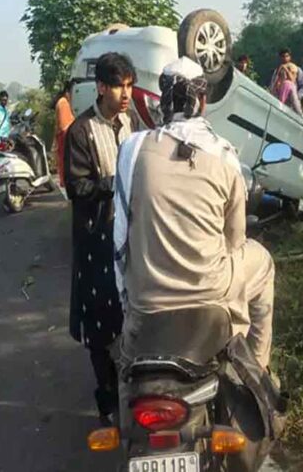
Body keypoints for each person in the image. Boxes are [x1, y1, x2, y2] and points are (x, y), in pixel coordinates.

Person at [114, 56, 275, 370]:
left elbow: (120, 234)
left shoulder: (132, 150)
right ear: (202, 100)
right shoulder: (224, 154)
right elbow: (234, 241)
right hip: (210, 293)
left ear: (162, 100)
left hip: (145, 298)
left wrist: (127, 296)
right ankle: (259, 368)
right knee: (263, 262)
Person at [64, 52, 139, 426]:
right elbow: (76, 187)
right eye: (118, 87)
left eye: (129, 86)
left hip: (130, 237)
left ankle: (135, 386)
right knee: (100, 323)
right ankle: (107, 399)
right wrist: (114, 183)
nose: (126, 94)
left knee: (132, 314)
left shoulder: (131, 122)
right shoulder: (81, 131)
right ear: (101, 87)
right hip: (96, 241)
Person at [269, 48, 303, 115]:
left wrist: (297, 97)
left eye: (287, 56)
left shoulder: (296, 69)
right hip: (280, 101)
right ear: (280, 58)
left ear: (290, 57)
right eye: (283, 56)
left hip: (293, 103)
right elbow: (273, 86)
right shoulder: (277, 71)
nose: (285, 58)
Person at [53, 80, 76, 188]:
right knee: (64, 160)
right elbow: (64, 125)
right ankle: (65, 181)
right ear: (67, 92)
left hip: (63, 136)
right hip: (64, 136)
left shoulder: (62, 102)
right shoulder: (63, 103)